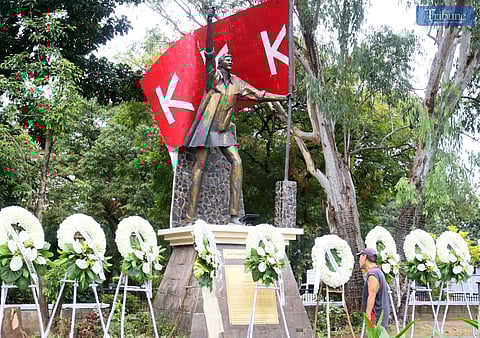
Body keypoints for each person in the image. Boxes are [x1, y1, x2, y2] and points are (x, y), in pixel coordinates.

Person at [184, 53, 287, 224]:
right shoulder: (214, 78)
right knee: (199, 166)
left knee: (237, 162)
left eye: (232, 59)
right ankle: (190, 218)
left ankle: (234, 216)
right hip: (207, 128)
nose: (231, 61)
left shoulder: (237, 82)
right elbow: (209, 66)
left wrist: (282, 97)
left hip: (223, 131)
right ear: (220, 63)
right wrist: (210, 50)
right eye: (227, 59)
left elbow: (258, 94)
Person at [358, 247, 390, 328]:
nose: (359, 260)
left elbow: (372, 295)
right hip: (381, 312)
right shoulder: (377, 271)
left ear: (364, 257)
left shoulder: (373, 274)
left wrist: (368, 314)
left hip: (377, 314)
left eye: (360, 257)